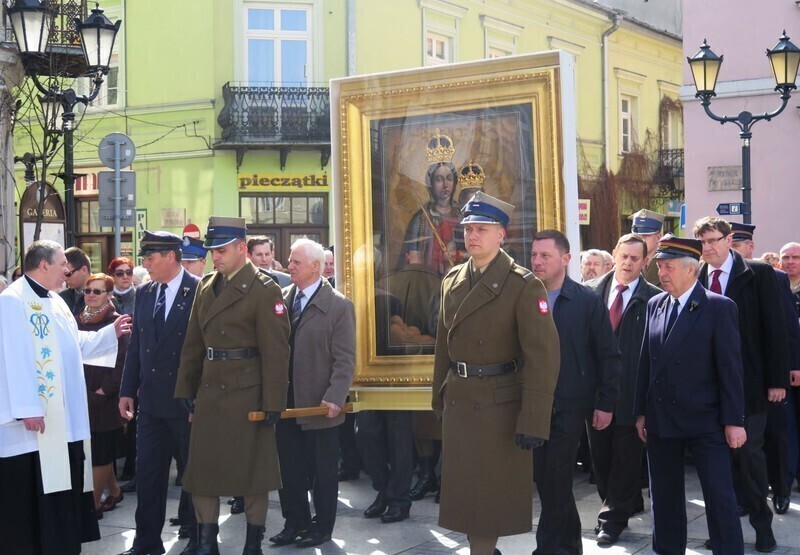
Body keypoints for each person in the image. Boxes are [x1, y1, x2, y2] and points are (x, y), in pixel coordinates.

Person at [432, 192, 560, 555]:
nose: (472, 236)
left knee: (486, 505)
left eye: (483, 229)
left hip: (499, 408)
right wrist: (438, 398)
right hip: (460, 403)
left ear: (501, 234)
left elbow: (544, 358)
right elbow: (444, 346)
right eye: (468, 228)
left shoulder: (523, 285)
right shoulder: (453, 279)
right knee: (467, 501)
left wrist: (534, 421)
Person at [0, 240, 131, 555]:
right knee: (32, 491)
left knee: (63, 484)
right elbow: (11, 356)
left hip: (63, 419)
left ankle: (59, 542)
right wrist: (27, 408)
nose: (68, 271)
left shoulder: (57, 302)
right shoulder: (12, 301)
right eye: (63, 265)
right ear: (43, 265)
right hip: (32, 425)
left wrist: (107, 334)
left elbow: (73, 344)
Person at [175, 216, 290, 555]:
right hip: (210, 391)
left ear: (242, 249)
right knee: (202, 473)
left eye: (222, 251)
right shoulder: (206, 285)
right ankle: (207, 543)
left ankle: (253, 544)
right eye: (212, 251)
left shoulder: (265, 289)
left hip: (247, 394)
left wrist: (274, 401)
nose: (215, 257)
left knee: (254, 474)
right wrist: (185, 387)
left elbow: (276, 351)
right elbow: (193, 342)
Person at [635, 234, 746, 555]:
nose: (661, 274)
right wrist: (641, 411)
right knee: (665, 499)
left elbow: (731, 370)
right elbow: (646, 361)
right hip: (661, 420)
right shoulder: (656, 304)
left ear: (690, 270)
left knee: (719, 499)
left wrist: (734, 421)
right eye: (659, 266)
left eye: (668, 267)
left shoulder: (718, 307)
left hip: (706, 421)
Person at [694, 217, 790, 552]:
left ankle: (763, 528)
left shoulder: (757, 274)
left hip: (749, 384)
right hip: (708, 388)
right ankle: (722, 529)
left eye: (714, 240)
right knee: (715, 461)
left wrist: (778, 380)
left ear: (729, 239)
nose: (708, 248)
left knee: (750, 457)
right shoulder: (696, 277)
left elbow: (775, 330)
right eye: (703, 242)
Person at [529, 229, 620, 555]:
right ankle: (570, 546)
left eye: (545, 256)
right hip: (534, 405)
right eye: (534, 255)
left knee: (554, 479)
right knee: (547, 481)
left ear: (565, 259)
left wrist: (606, 403)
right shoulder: (526, 297)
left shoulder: (586, 301)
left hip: (570, 405)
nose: (537, 262)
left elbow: (608, 355)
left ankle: (546, 550)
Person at [118, 231, 201, 555]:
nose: (145, 264)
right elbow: (137, 346)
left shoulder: (198, 291)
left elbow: (206, 348)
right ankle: (147, 542)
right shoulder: (145, 292)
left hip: (186, 403)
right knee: (149, 476)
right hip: (151, 404)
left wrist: (199, 399)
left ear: (170, 256)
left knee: (194, 477)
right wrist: (127, 390)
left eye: (150, 258)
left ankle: (197, 538)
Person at [269, 238, 355, 548]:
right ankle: (295, 522)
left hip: (320, 405)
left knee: (322, 472)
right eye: (289, 261)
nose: (288, 265)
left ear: (316, 268)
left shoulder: (339, 305)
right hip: (286, 403)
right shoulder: (280, 300)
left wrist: (335, 395)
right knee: (288, 469)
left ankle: (322, 528)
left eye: (295, 262)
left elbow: (345, 359)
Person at [584, 233, 661, 545]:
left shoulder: (654, 298)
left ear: (644, 262)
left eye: (635, 258)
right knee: (600, 459)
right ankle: (616, 503)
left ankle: (612, 519)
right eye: (623, 256)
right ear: (613, 254)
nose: (628, 263)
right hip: (595, 395)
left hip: (631, 395)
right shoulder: (589, 292)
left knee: (626, 459)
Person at [730, 223, 800, 515]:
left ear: (750, 247)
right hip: (739, 376)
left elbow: (783, 328)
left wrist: (790, 367)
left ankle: (781, 490)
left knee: (778, 434)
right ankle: (745, 497)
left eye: (738, 245)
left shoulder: (770, 275)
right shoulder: (715, 277)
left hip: (770, 374)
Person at [78, 273, 129, 520]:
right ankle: (115, 491)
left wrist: (102, 392)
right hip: (81, 395)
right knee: (99, 451)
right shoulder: (76, 319)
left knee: (99, 453)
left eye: (98, 291)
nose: (91, 295)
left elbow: (123, 363)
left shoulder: (119, 322)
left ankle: (93, 505)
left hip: (105, 400)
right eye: (88, 290)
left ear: (110, 295)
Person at [403, 129, 462, 276]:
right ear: (430, 183)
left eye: (449, 179)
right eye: (439, 179)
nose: (445, 185)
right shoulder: (420, 219)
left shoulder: (462, 214)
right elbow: (414, 260)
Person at [629, 208, 665, 287]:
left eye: (645, 236)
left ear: (658, 237)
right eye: (637, 236)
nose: (641, 240)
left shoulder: (665, 264)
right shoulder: (627, 262)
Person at [60, 246, 91, 315]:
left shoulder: (105, 294)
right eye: (62, 275)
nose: (65, 279)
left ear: (84, 270)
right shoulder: (61, 298)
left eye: (68, 274)